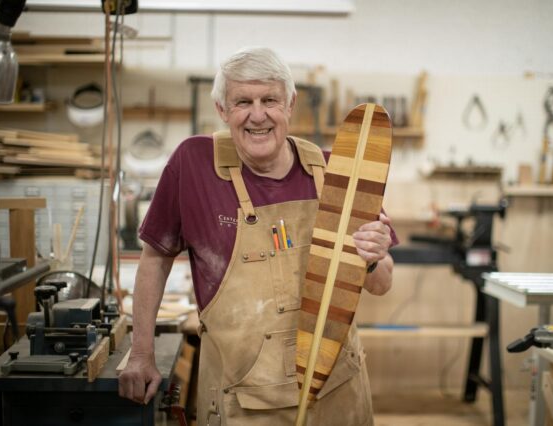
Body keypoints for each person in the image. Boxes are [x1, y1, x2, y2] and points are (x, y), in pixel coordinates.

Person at [118, 46, 397, 425]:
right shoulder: (193, 164)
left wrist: (374, 257)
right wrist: (140, 354)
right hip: (241, 405)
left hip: (337, 395)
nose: (258, 115)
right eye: (242, 102)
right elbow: (155, 260)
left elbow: (380, 284)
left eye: (270, 99)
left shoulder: (337, 173)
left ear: (291, 104)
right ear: (221, 110)